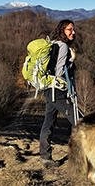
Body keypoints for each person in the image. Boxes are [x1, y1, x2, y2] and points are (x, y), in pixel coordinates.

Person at [39, 19, 78, 167]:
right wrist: (72, 60)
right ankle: (77, 159)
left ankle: (45, 157)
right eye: (69, 30)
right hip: (57, 91)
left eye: (73, 30)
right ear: (62, 30)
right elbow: (60, 72)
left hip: (49, 89)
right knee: (79, 121)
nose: (73, 32)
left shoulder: (54, 44)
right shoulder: (62, 47)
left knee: (48, 123)